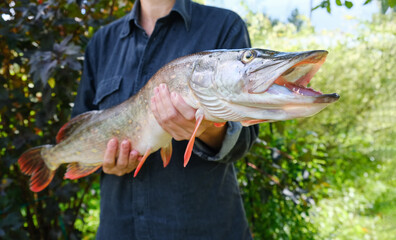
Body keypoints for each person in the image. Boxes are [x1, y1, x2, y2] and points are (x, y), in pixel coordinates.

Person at [72, 0, 259, 239]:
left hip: (205, 228)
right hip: (119, 228)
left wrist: (206, 131)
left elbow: (244, 137)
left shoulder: (224, 25)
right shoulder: (101, 42)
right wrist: (105, 159)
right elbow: (82, 126)